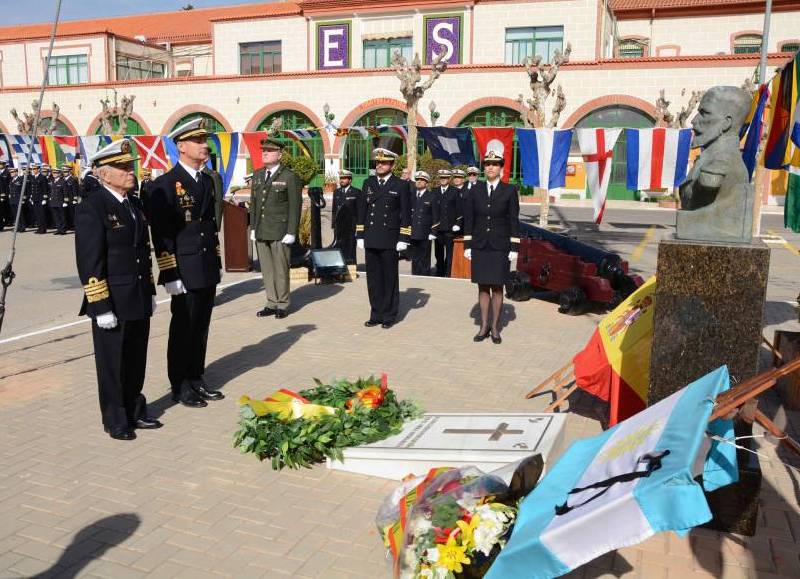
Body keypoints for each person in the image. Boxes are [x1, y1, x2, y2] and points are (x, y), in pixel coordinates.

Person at [74, 139, 161, 440]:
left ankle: (134, 409)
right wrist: (100, 306)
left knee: (136, 358)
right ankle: (115, 419)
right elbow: (90, 261)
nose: (130, 171)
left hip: (136, 294)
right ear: (103, 173)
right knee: (112, 364)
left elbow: (142, 251)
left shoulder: (133, 204)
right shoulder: (92, 207)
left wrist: (149, 291)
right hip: (112, 299)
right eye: (122, 167)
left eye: (130, 166)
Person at [149, 118, 225, 408]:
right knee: (183, 328)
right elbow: (162, 233)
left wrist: (216, 262)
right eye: (197, 141)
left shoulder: (207, 180)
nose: (204, 145)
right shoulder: (166, 184)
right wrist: (170, 273)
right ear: (181, 146)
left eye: (205, 140)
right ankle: (179, 385)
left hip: (205, 265)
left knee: (201, 326)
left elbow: (207, 225)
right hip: (183, 269)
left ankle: (196, 377)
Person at [463, 150, 519, 345]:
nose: (490, 167)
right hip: (480, 245)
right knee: (482, 286)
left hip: (500, 246)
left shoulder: (509, 191)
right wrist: (467, 245)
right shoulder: (474, 190)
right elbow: (469, 219)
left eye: (494, 164)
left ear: (501, 168)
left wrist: (514, 247)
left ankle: (495, 327)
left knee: (497, 287)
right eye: (487, 164)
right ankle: (483, 326)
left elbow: (514, 220)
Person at [356, 148, 411, 329]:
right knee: (373, 279)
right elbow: (362, 211)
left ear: (392, 165)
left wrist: (404, 237)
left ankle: (389, 315)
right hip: (371, 237)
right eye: (377, 162)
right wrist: (360, 235)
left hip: (390, 238)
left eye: (384, 162)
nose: (379, 165)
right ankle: (376, 313)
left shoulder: (400, 185)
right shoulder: (368, 183)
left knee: (389, 278)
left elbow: (405, 213)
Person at [248, 137, 302, 319]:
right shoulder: (257, 174)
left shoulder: (289, 176)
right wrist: (253, 228)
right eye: (263, 150)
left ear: (280, 154)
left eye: (269, 151)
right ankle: (271, 302)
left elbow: (295, 206)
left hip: (280, 232)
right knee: (267, 269)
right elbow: (254, 204)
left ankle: (283, 303)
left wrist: (291, 232)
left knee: (280, 269)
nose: (264, 153)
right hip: (262, 229)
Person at [433, 168, 463, 277]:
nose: (443, 179)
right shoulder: (434, 191)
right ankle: (439, 271)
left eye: (445, 178)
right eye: (441, 177)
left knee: (450, 254)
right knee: (438, 253)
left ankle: (448, 273)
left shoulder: (455, 192)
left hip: (450, 228)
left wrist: (458, 224)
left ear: (449, 179)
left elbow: (460, 210)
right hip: (438, 228)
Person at [409, 171, 437, 276]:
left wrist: (433, 232)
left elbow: (435, 216)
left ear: (426, 182)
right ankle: (415, 274)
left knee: (424, 257)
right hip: (413, 231)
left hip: (425, 232)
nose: (419, 182)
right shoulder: (411, 195)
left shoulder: (431, 196)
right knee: (414, 256)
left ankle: (425, 275)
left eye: (422, 180)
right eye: (417, 180)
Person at [331, 169, 360, 264]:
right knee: (339, 247)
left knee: (350, 246)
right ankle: (340, 267)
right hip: (339, 225)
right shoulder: (337, 192)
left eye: (344, 178)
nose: (341, 180)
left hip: (351, 225)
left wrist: (359, 227)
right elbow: (334, 209)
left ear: (350, 180)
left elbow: (359, 211)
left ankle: (351, 266)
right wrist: (333, 224)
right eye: (341, 178)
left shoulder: (356, 192)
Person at [49, 165, 68, 235]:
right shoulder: (52, 181)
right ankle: (59, 229)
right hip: (54, 202)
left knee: (62, 217)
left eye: (56, 173)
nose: (54, 174)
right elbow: (51, 191)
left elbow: (65, 192)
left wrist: (65, 201)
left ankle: (63, 230)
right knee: (56, 217)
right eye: (53, 173)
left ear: (59, 174)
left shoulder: (63, 181)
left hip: (60, 201)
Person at [31, 163, 49, 233]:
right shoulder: (33, 177)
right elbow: (32, 188)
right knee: (37, 214)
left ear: (38, 169)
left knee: (42, 214)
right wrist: (31, 197)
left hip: (41, 198)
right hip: (35, 198)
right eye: (33, 169)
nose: (33, 170)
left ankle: (43, 229)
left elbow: (45, 188)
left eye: (35, 169)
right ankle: (39, 228)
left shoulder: (42, 177)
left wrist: (44, 198)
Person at [63, 166, 79, 230]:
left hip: (71, 199)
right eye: (64, 172)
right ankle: (68, 225)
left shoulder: (72, 179)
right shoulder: (63, 179)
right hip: (65, 199)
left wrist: (75, 199)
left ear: (69, 172)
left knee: (72, 213)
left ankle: (74, 226)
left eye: (66, 172)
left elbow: (75, 189)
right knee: (66, 213)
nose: (64, 173)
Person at [0, 160, 10, 231]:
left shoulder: (7, 172)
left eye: (1, 164)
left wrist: (3, 195)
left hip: (4, 193)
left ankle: (5, 223)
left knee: (4, 210)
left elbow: (2, 186)